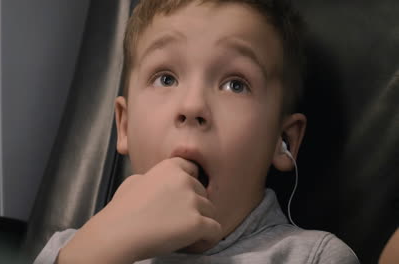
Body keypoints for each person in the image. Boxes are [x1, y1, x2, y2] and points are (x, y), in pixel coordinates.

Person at [35, 0, 359, 263]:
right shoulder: (71, 250)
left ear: (283, 140)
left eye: (235, 84)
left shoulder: (313, 257)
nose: (192, 106)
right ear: (124, 126)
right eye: (166, 78)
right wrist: (98, 250)